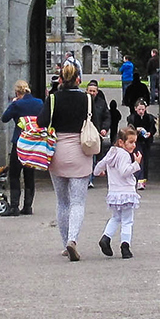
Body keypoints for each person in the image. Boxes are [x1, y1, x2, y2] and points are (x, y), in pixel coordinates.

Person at [37, 61, 92, 260]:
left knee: (62, 202)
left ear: (60, 80)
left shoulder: (53, 98)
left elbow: (41, 122)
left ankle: (64, 244)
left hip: (57, 151)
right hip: (80, 151)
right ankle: (72, 239)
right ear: (78, 79)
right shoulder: (87, 99)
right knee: (78, 202)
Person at [94, 126, 141, 259]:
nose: (134, 145)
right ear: (121, 142)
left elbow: (101, 164)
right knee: (127, 220)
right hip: (126, 192)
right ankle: (125, 246)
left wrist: (98, 172)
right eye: (131, 142)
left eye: (134, 142)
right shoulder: (124, 155)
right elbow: (124, 171)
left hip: (114, 192)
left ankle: (106, 238)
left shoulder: (112, 152)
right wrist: (136, 164)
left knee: (115, 218)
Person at [1, 78, 43, 215]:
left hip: (19, 142)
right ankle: (28, 206)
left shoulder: (17, 104)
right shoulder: (39, 103)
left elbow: (4, 118)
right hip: (33, 143)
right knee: (29, 174)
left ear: (18, 92)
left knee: (14, 174)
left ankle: (14, 206)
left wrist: (13, 104)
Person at [86, 79, 110, 185]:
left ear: (97, 92)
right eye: (90, 91)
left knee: (94, 155)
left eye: (93, 91)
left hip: (97, 133)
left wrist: (104, 128)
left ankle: (91, 178)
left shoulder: (102, 103)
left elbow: (107, 117)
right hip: (84, 133)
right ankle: (88, 177)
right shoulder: (82, 102)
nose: (92, 93)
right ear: (86, 91)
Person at [130, 97, 156, 188]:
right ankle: (138, 179)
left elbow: (153, 129)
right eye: (139, 109)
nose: (141, 111)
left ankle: (143, 179)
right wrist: (136, 130)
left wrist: (150, 133)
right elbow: (129, 129)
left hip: (146, 141)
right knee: (138, 159)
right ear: (135, 108)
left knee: (146, 161)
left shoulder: (149, 118)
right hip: (136, 142)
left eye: (143, 109)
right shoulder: (132, 118)